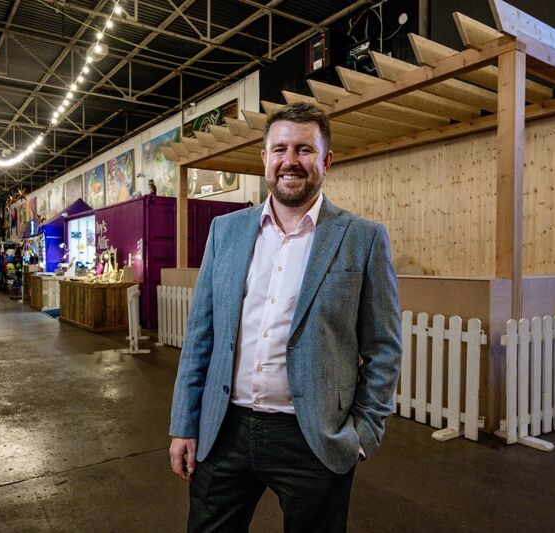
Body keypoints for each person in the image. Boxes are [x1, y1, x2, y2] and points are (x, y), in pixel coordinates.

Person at [169, 102, 402, 532]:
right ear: (264, 159)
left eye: (304, 150)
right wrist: (185, 422)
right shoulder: (226, 231)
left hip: (313, 437)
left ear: (326, 160)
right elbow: (202, 335)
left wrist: (362, 434)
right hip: (224, 429)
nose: (290, 161)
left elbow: (384, 347)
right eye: (279, 149)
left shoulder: (363, 239)